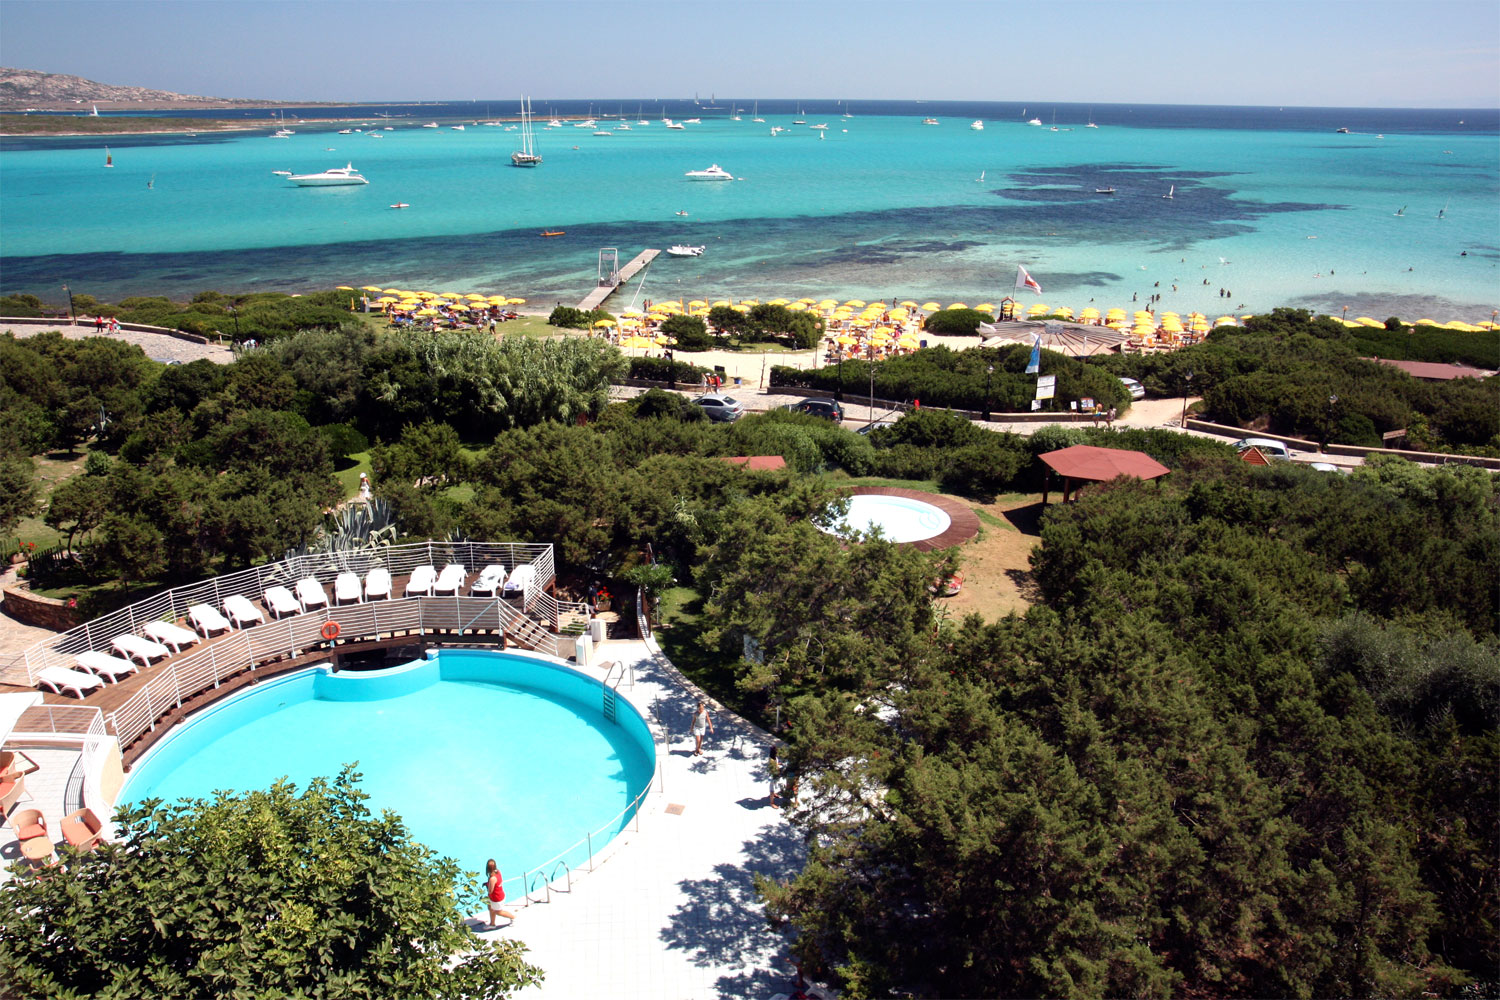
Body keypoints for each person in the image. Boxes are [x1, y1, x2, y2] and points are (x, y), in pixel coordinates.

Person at [485, 859, 515, 928]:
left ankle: (513, 917)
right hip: (496, 896)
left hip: (496, 898)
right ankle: (492, 924)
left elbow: (490, 891)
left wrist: (487, 884)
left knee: (499, 912)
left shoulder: (492, 879)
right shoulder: (498, 872)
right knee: (490, 908)